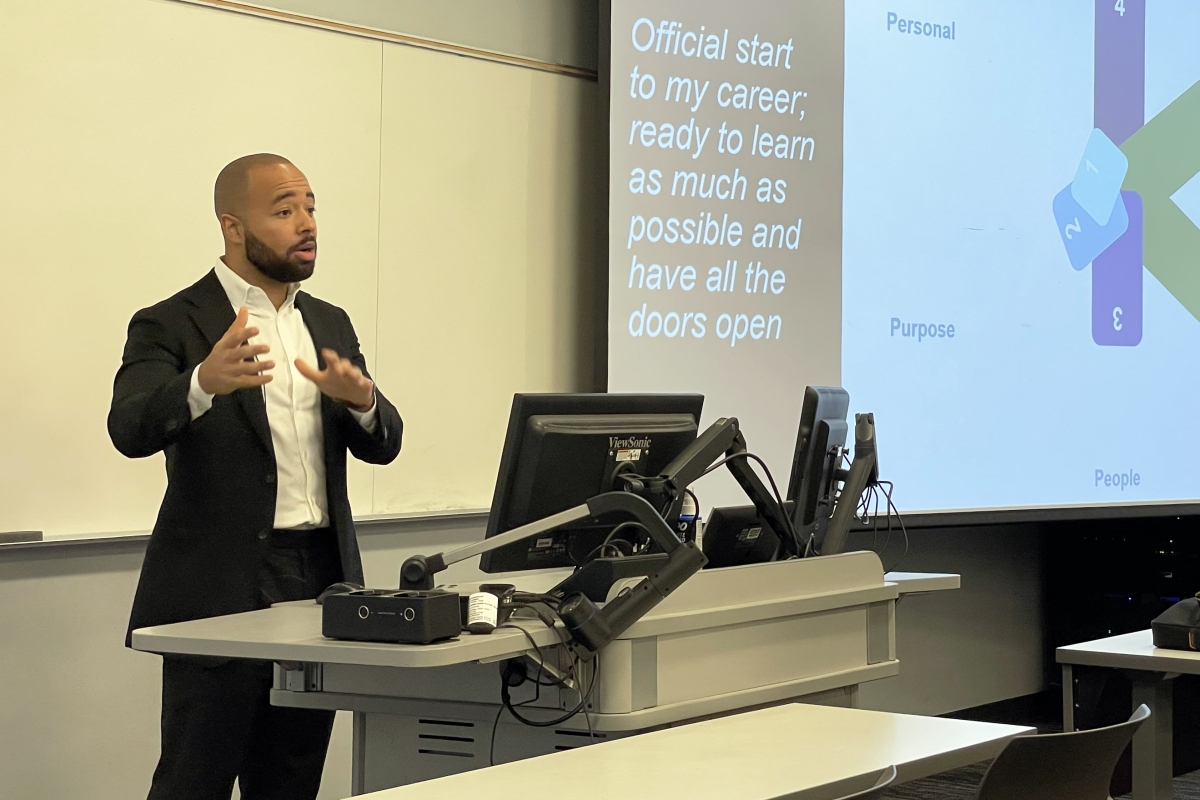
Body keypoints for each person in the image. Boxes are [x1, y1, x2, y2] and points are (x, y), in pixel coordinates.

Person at [108, 153, 403, 800]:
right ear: (233, 227)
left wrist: (361, 403)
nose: (307, 223)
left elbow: (386, 445)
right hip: (218, 589)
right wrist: (199, 384)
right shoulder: (172, 321)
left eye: (311, 206)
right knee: (195, 780)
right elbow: (128, 427)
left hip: (318, 582)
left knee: (291, 781)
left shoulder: (328, 322)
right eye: (285, 210)